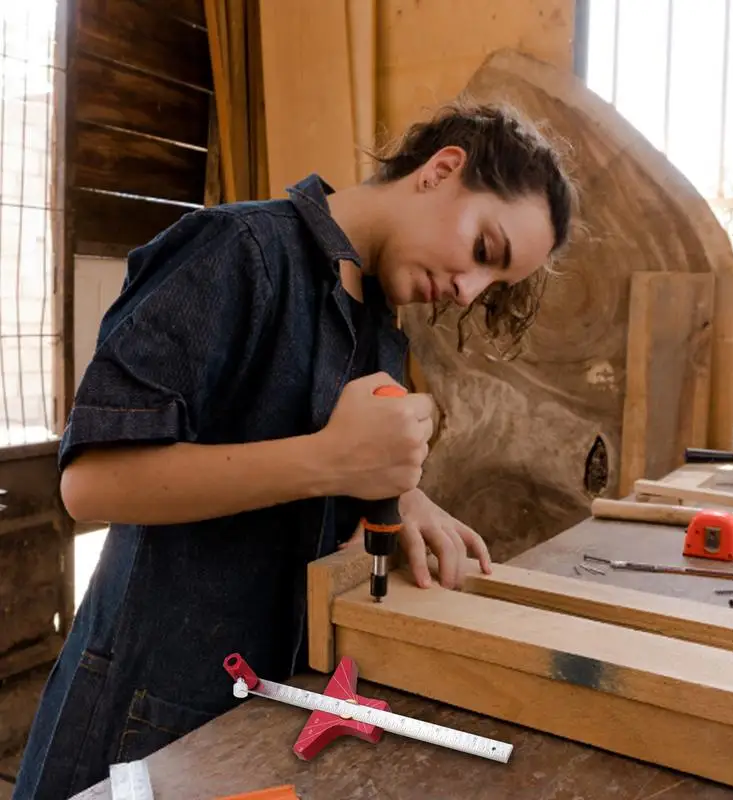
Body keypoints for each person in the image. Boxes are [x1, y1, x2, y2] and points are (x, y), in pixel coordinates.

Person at [13, 100, 575, 798]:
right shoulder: (238, 252)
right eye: (484, 251)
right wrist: (333, 461)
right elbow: (94, 481)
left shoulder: (374, 312)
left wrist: (403, 492)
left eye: (494, 286)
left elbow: (292, 434)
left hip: (257, 703)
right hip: (143, 712)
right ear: (442, 170)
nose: (468, 290)